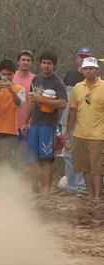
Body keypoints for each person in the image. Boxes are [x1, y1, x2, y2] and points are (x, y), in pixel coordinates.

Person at [20, 52, 67, 194]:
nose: (46, 66)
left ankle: (46, 190)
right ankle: (35, 187)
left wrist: (43, 100)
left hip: (48, 125)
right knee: (33, 158)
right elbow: (32, 102)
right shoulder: (36, 80)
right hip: (34, 124)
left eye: (49, 63)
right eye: (44, 63)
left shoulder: (57, 83)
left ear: (53, 65)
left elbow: (63, 103)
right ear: (39, 64)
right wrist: (25, 121)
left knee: (46, 159)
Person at [65, 57, 104, 200]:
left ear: (96, 70)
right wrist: (68, 131)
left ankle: (97, 196)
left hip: (98, 135)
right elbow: (73, 110)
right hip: (80, 133)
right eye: (85, 68)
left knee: (97, 169)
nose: (88, 71)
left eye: (91, 68)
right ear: (81, 70)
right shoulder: (77, 87)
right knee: (85, 168)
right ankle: (90, 193)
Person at [60, 48, 91, 194]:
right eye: (82, 57)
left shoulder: (93, 79)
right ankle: (71, 186)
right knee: (68, 154)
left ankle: (81, 186)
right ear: (77, 58)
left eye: (87, 57)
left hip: (84, 123)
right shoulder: (69, 75)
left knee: (82, 155)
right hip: (67, 122)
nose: (84, 59)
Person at [0, 59, 25, 166]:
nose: (6, 77)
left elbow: (19, 104)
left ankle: (7, 179)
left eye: (9, 74)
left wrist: (12, 91)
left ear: (14, 73)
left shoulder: (19, 89)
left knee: (6, 159)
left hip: (10, 131)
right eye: (4, 74)